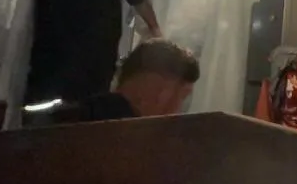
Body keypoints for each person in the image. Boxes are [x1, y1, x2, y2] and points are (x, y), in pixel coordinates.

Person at [25, 0, 162, 106]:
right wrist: (155, 29)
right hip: (98, 54)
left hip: (52, 54)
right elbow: (141, 2)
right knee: (91, 103)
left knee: (46, 105)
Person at [46, 39, 200, 124]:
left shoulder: (65, 116)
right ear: (152, 87)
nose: (177, 110)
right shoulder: (126, 142)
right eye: (180, 96)